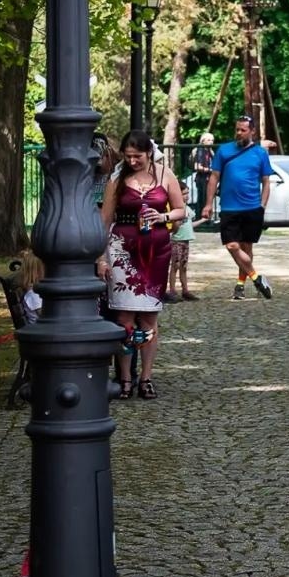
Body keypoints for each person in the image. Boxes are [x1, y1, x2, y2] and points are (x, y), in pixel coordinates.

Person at [97, 129, 189, 401]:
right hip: (122, 249)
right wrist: (100, 257)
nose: (132, 161)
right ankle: (125, 377)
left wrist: (163, 216)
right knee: (124, 317)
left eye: (137, 156)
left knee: (148, 317)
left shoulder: (164, 174)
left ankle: (146, 377)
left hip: (155, 250)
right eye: (128, 156)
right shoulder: (118, 177)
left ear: (149, 152)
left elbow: (181, 210)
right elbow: (105, 219)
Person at [203, 114, 275, 301]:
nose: (239, 133)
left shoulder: (260, 153)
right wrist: (208, 203)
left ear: (252, 131)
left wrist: (262, 205)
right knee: (232, 245)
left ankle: (240, 286)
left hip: (252, 207)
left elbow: (266, 182)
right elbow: (214, 178)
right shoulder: (224, 151)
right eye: (237, 129)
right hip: (229, 207)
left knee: (246, 246)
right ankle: (257, 278)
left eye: (243, 130)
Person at [165, 207, 197, 303]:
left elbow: (191, 223)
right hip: (176, 241)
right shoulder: (175, 209)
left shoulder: (188, 209)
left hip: (186, 240)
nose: (186, 196)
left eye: (187, 193)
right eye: (184, 194)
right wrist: (176, 226)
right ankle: (172, 290)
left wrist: (203, 220)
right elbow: (173, 226)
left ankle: (185, 290)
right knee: (175, 266)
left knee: (183, 266)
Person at [191, 132, 216, 220]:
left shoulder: (209, 151)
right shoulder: (201, 150)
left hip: (207, 179)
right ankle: (201, 220)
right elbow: (197, 166)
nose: (211, 142)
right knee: (203, 200)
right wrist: (210, 170)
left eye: (212, 140)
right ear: (203, 141)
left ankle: (205, 219)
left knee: (207, 199)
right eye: (209, 140)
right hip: (202, 178)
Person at [18, 249, 44, 325]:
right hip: (41, 332)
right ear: (36, 273)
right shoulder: (34, 295)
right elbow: (46, 316)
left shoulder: (37, 292)